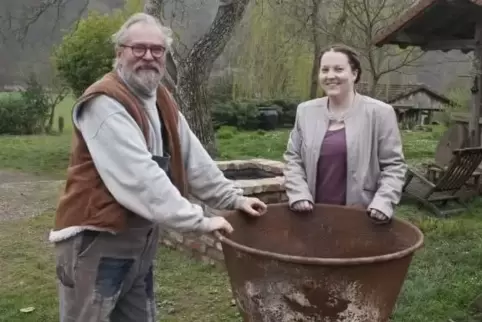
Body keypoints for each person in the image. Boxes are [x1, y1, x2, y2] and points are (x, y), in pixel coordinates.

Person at [49, 12, 267, 322]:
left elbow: (193, 156)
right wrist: (200, 220)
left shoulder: (160, 97)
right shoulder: (104, 103)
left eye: (157, 49)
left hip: (138, 242)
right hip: (96, 242)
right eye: (138, 48)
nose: (148, 57)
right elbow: (140, 177)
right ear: (119, 52)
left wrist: (234, 198)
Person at [283, 43, 407, 223]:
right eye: (325, 70)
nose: (330, 76)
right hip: (310, 214)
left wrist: (383, 203)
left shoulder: (380, 113)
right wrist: (299, 194)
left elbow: (394, 166)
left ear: (354, 74)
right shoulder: (306, 111)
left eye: (339, 69)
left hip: (361, 215)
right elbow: (293, 158)